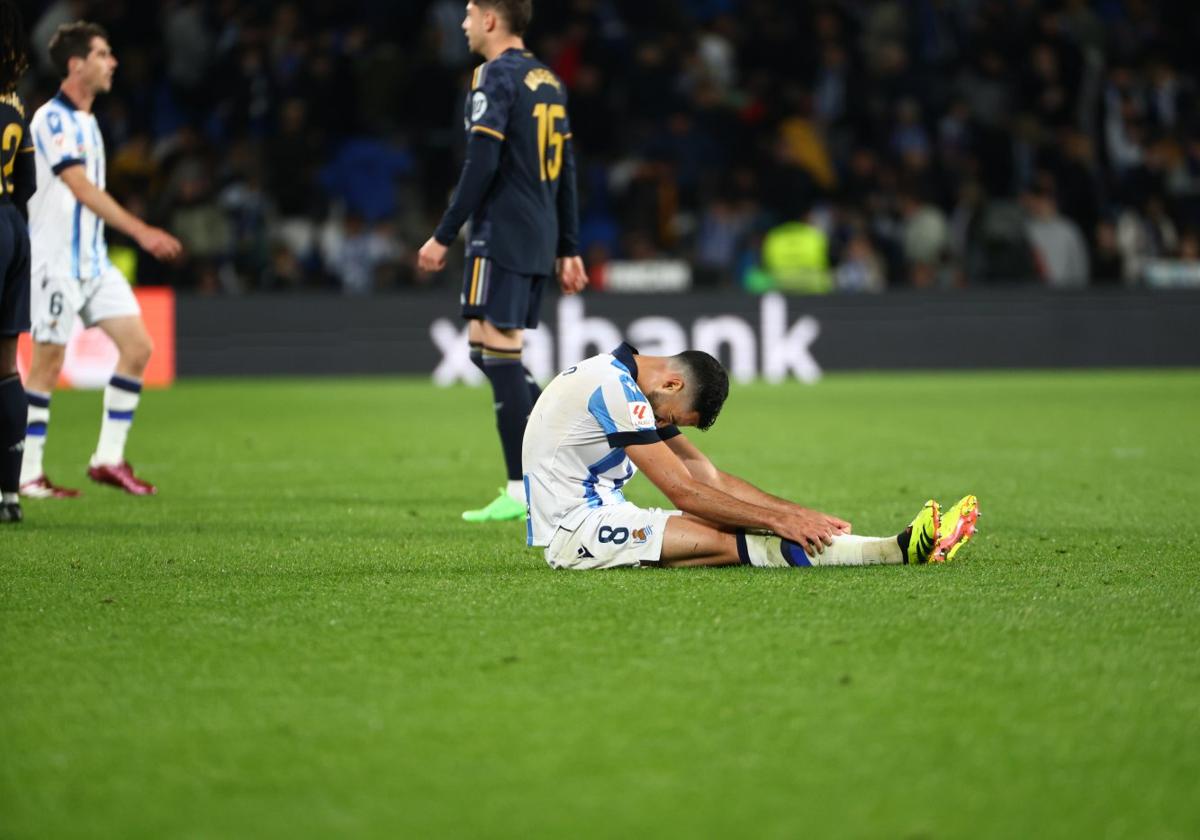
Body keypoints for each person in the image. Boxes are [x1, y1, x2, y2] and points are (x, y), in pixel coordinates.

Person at [523, 343, 981, 569]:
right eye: (674, 419)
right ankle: (893, 552)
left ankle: (892, 546)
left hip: (603, 513)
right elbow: (684, 491)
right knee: (725, 539)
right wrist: (780, 522)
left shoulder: (628, 382)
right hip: (575, 532)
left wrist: (793, 511)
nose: (666, 426)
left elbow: (706, 474)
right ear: (672, 385)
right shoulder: (616, 389)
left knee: (729, 524)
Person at [417, 0, 588, 522]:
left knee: (501, 351)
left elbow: (481, 161)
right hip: (534, 232)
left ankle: (523, 486)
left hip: (502, 232)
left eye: (470, 14)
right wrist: (567, 244)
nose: (464, 24)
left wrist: (444, 234)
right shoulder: (548, 80)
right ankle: (564, 446)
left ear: (492, 19)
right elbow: (568, 170)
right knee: (484, 350)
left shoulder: (492, 76)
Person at [19, 21, 182, 499]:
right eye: (103, 54)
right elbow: (80, 187)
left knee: (138, 348)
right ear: (76, 64)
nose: (112, 63)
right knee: (47, 364)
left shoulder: (89, 123)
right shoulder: (50, 119)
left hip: (92, 262)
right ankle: (27, 472)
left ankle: (107, 459)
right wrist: (142, 230)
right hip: (55, 263)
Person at [0, 0, 35, 523]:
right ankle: (8, 494)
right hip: (11, 225)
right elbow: (27, 185)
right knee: (5, 368)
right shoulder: (14, 101)